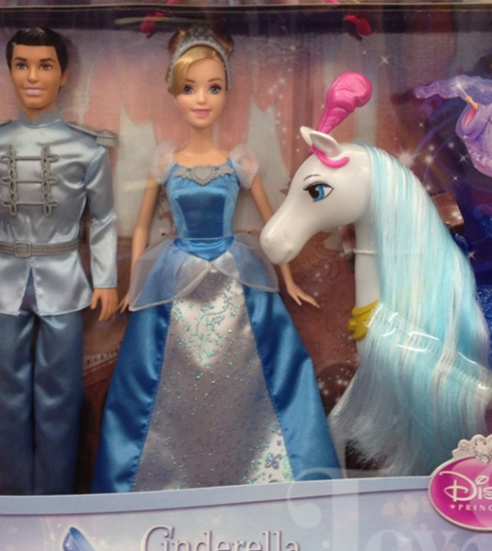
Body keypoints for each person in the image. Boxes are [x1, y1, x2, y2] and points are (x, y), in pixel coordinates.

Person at [91, 26, 338, 492]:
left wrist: (287, 279)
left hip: (233, 271)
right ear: (174, 93)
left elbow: (272, 225)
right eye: (189, 89)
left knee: (255, 371)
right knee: (161, 379)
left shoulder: (239, 163)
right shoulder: (166, 161)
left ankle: (269, 474)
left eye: (214, 88)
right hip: (176, 272)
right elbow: (142, 226)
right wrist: (134, 285)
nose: (201, 99)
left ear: (226, 91)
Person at [0, 27, 118, 495]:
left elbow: (103, 218)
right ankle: (15, 496)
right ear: (9, 71)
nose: (32, 76)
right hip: (5, 279)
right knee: (4, 392)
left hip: (64, 278)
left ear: (63, 75)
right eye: (22, 65)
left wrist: (106, 279)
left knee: (60, 394)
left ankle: (55, 495)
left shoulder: (87, 147)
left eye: (45, 66)